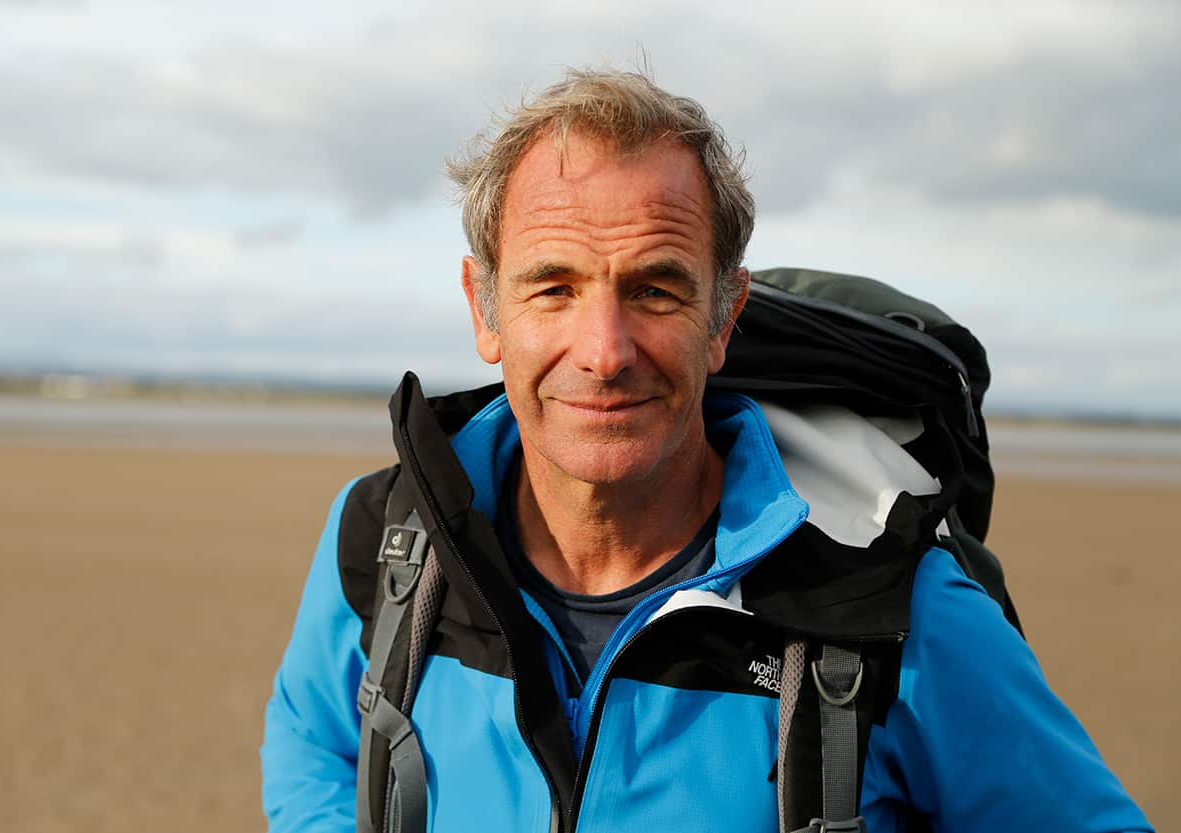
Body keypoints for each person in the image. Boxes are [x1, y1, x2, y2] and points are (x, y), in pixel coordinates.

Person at [261, 69, 1152, 832]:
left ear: (723, 316)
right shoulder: (386, 542)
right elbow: (315, 744)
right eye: (553, 287)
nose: (604, 350)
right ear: (485, 309)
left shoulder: (899, 605)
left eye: (654, 289)